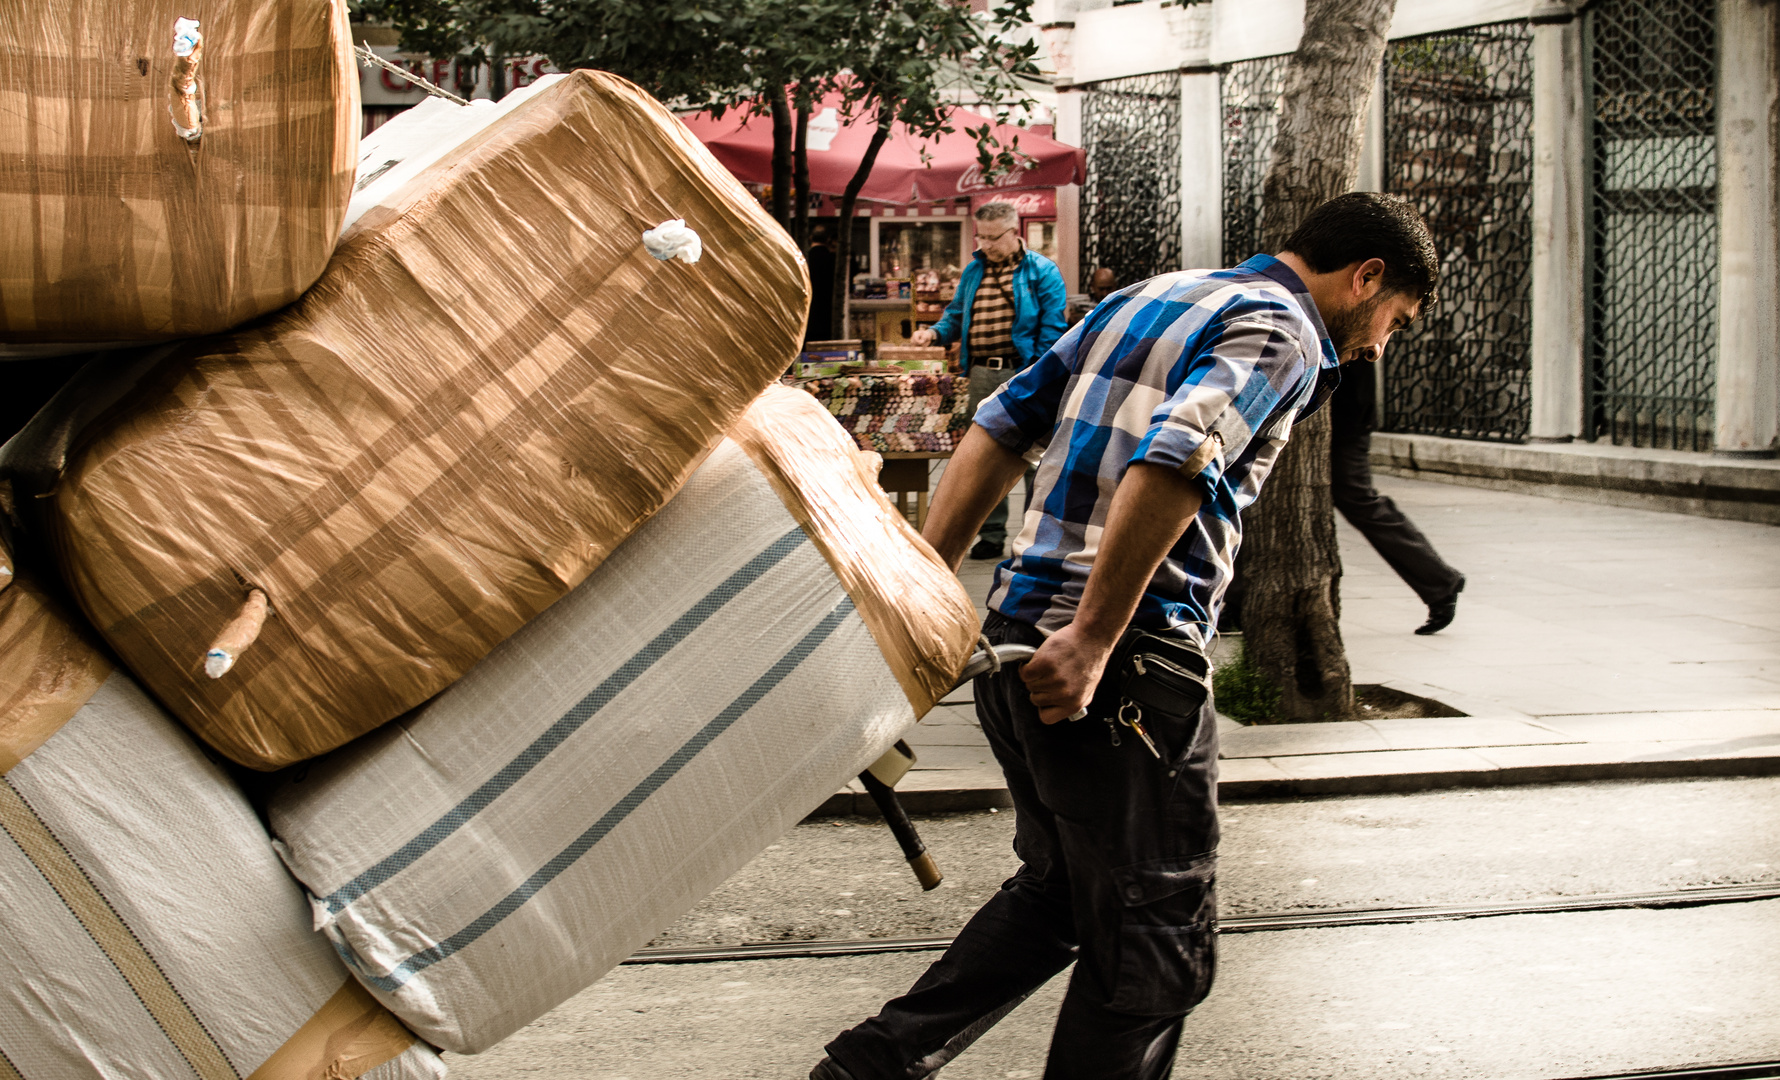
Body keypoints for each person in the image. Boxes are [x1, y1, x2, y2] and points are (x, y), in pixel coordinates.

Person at [811, 193, 1438, 1080]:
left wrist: (925, 587)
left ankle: (866, 1070)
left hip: (1019, 639)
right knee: (1156, 946)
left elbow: (1000, 425)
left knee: (1065, 895)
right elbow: (1181, 453)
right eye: (1393, 321)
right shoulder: (1284, 331)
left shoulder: (1148, 295)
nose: (1378, 344)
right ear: (1365, 276)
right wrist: (1096, 636)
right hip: (1126, 666)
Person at [911, 201, 1068, 561]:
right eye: (981, 237)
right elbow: (954, 317)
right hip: (980, 373)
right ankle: (991, 534)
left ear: (1015, 232)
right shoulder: (972, 271)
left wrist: (1038, 375)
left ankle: (1034, 536)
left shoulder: (1042, 272)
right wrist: (933, 335)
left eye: (994, 237)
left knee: (1034, 457)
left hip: (1024, 371)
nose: (986, 245)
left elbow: (1053, 330)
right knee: (985, 457)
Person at [1329, 360, 1465, 634]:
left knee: (1358, 499)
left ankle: (1440, 583)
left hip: (1345, 423)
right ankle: (1237, 602)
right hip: (1341, 418)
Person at [807, 225, 837, 342]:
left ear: (810, 238)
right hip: (829, 315)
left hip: (809, 315)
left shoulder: (803, 259)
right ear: (828, 240)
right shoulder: (834, 260)